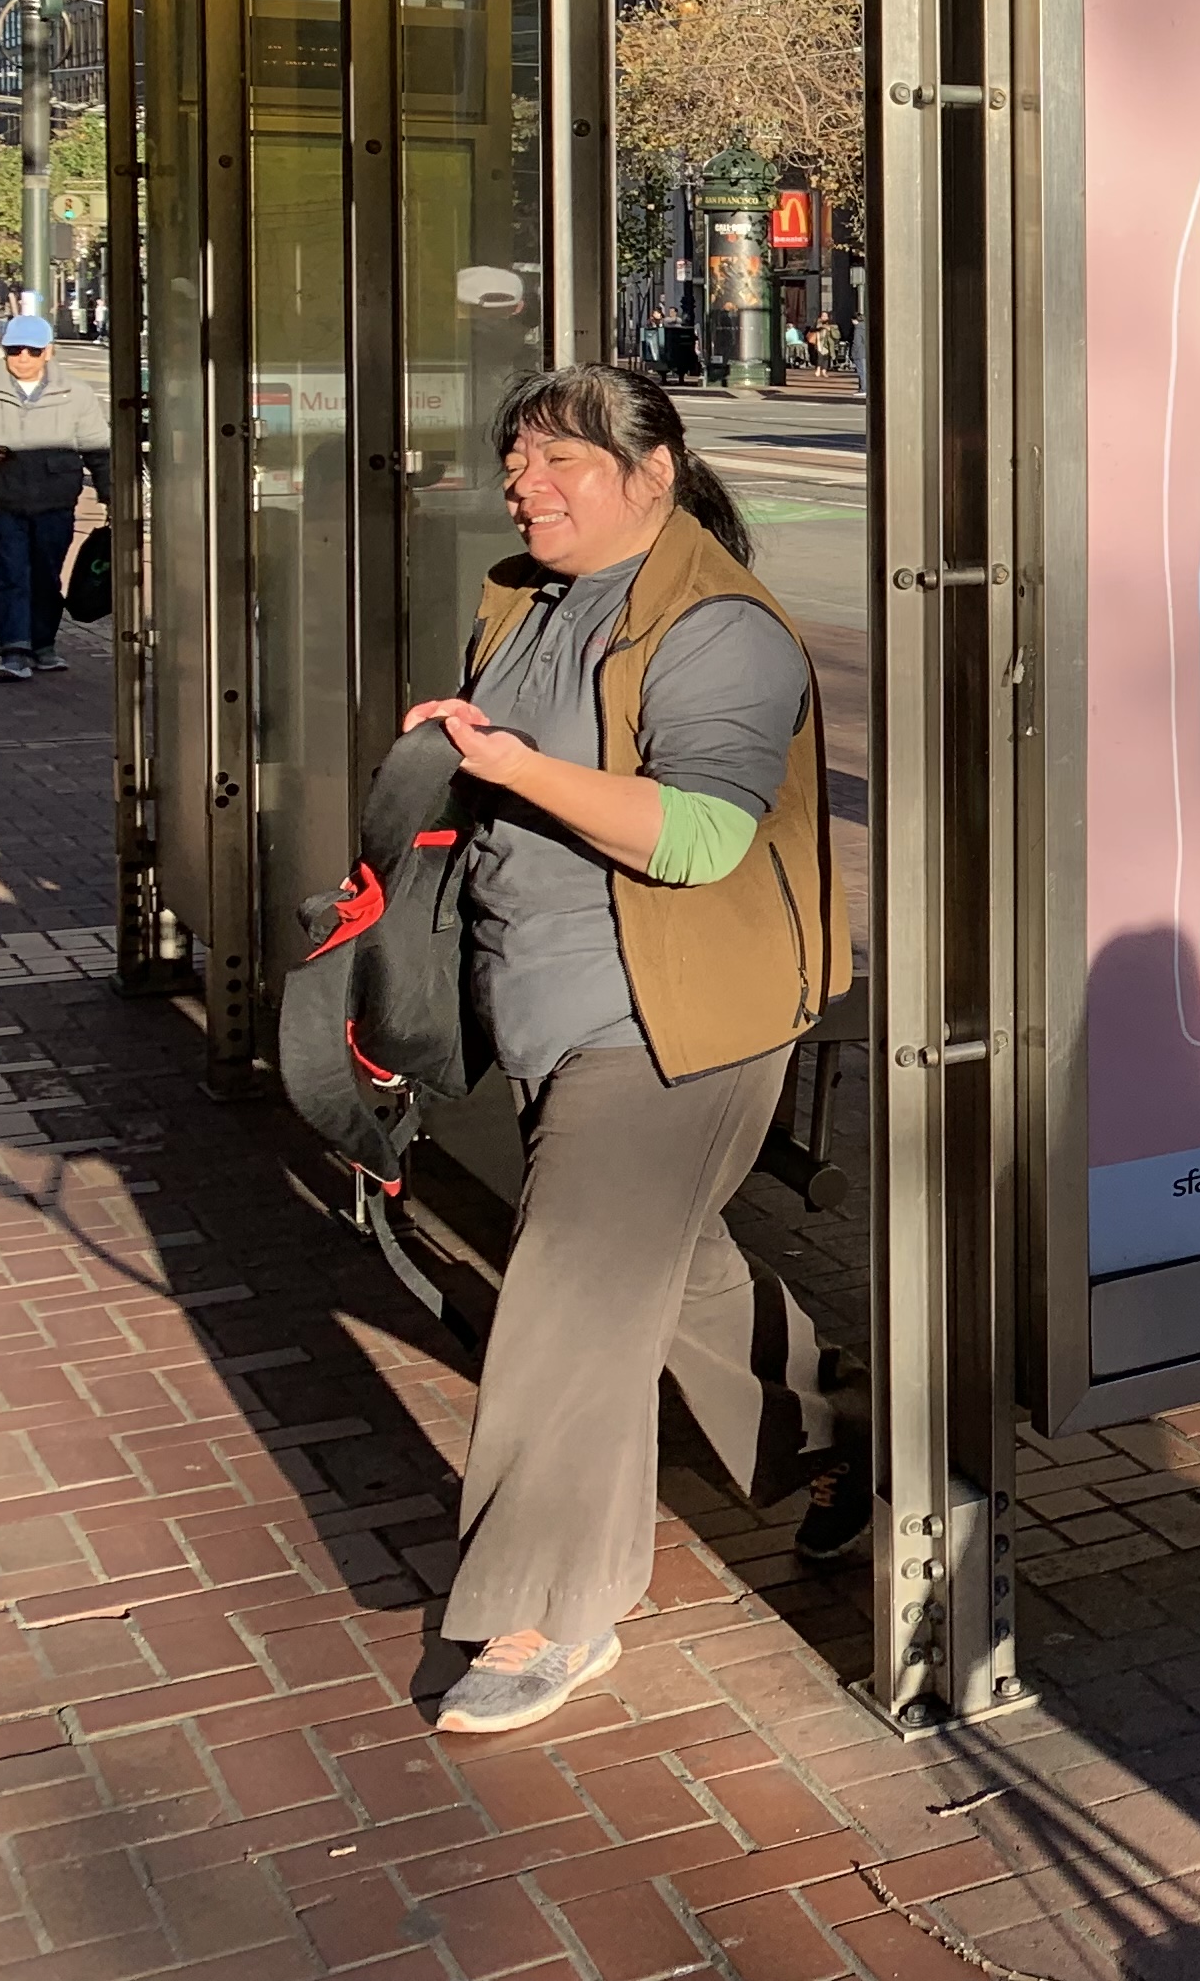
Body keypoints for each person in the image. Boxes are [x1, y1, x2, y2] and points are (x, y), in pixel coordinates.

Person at [403, 363, 859, 1735]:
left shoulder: (720, 627)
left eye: (561, 461)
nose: (525, 485)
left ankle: (551, 1608)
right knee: (670, 1278)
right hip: (553, 1004)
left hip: (672, 1025)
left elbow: (700, 836)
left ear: (653, 473)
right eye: (517, 460)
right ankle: (850, 1441)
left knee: (566, 1301)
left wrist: (507, 766)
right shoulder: (526, 599)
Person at [0, 316, 111, 680]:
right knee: (11, 574)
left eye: (32, 350)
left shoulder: (76, 393)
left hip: (56, 500)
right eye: (15, 349)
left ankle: (43, 645)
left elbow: (99, 448)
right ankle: (14, 650)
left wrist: (111, 494)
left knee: (47, 576)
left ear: (48, 351)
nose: (22, 357)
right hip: (4, 498)